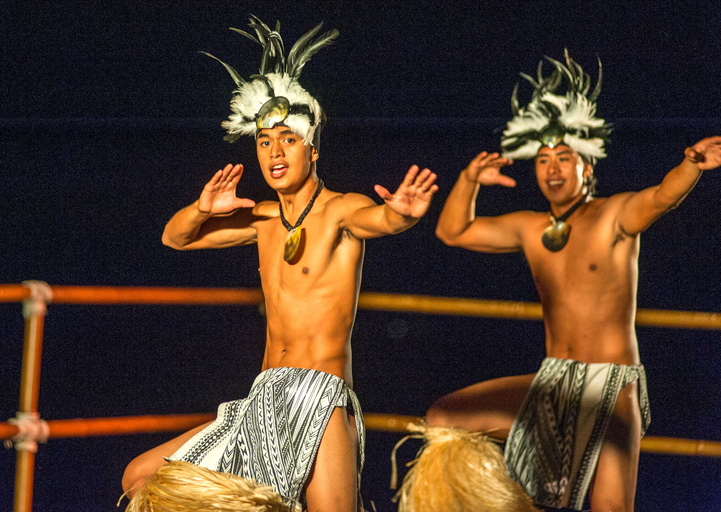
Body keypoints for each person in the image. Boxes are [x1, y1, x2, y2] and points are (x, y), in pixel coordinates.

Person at [120, 16, 438, 512]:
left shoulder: (339, 210)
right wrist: (202, 208)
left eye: (287, 139)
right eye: (265, 141)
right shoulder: (262, 219)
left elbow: (381, 220)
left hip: (321, 396)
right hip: (264, 395)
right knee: (142, 478)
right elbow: (174, 238)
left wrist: (402, 213)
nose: (274, 151)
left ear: (311, 148)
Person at [427, 51, 721, 511]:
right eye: (543, 160)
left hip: (611, 384)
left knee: (609, 507)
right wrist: (469, 179)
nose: (553, 168)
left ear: (588, 167)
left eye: (564, 157)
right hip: (554, 381)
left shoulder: (613, 217)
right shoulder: (530, 227)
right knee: (444, 417)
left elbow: (661, 197)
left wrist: (693, 165)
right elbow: (453, 231)